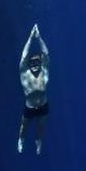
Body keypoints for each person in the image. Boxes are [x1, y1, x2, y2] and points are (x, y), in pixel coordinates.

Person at [18, 23, 49, 154]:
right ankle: (21, 140)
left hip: (43, 105)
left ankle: (38, 142)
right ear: (28, 64)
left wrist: (39, 37)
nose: (35, 65)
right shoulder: (24, 73)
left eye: (37, 62)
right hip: (29, 107)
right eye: (32, 63)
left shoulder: (44, 72)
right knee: (24, 127)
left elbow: (45, 53)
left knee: (40, 128)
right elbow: (24, 56)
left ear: (41, 63)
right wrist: (31, 38)